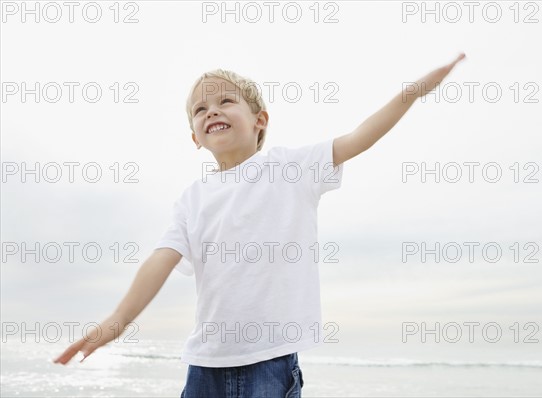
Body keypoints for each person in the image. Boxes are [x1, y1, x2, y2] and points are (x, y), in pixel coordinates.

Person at [53, 53, 466, 397]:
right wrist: (117, 321)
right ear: (195, 137)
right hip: (205, 364)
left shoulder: (291, 168)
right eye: (200, 109)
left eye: (225, 101)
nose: (211, 110)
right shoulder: (192, 200)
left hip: (270, 361)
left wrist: (414, 92)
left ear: (260, 120)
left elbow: (359, 137)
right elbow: (160, 261)